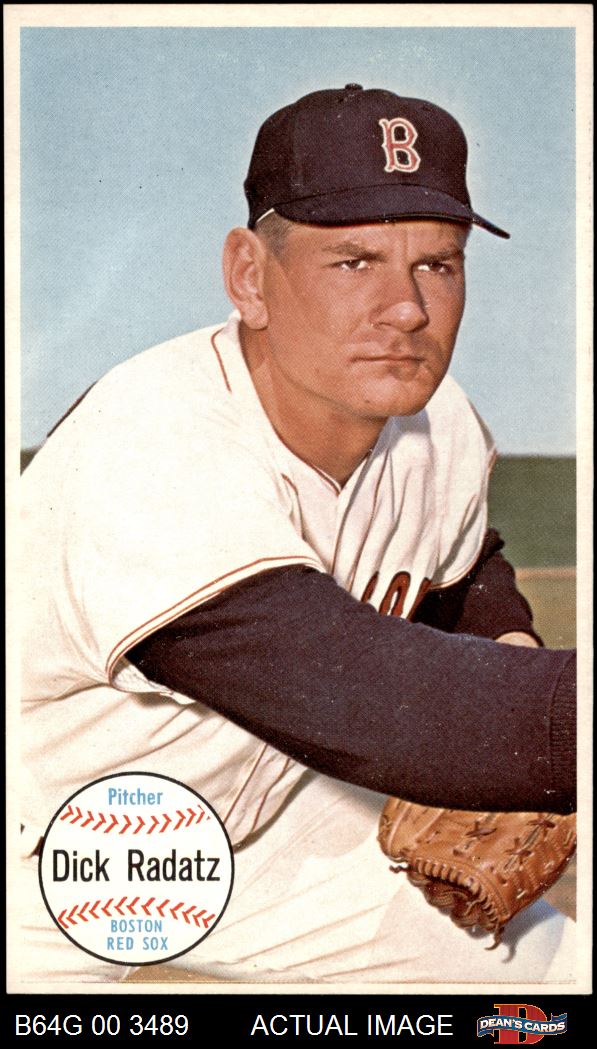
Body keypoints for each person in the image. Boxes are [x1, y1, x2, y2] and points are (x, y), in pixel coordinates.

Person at [19, 84, 576, 985]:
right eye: (354, 261)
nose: (406, 309)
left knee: (543, 977)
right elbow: (374, 703)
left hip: (272, 829)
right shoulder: (150, 442)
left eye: (437, 264)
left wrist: (506, 639)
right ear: (249, 277)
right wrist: (527, 724)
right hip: (46, 857)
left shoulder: (439, 424)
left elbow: (463, 560)